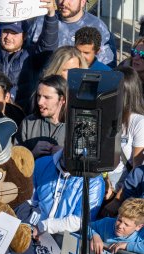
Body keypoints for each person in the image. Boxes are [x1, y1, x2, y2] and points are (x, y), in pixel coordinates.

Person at [103, 66, 144, 214]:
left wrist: (117, 200)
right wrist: (104, 182)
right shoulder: (104, 116)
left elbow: (137, 171)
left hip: (123, 193)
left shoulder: (139, 122)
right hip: (102, 186)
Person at [26, 0, 116, 67]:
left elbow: (107, 67)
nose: (64, 3)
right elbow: (27, 57)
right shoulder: (41, 22)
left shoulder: (98, 27)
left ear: (83, 2)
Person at [15, 75, 67, 157]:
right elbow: (16, 159)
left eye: (47, 97)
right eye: (39, 96)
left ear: (62, 100)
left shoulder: (75, 127)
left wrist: (64, 155)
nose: (40, 102)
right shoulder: (28, 123)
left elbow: (84, 160)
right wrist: (32, 154)